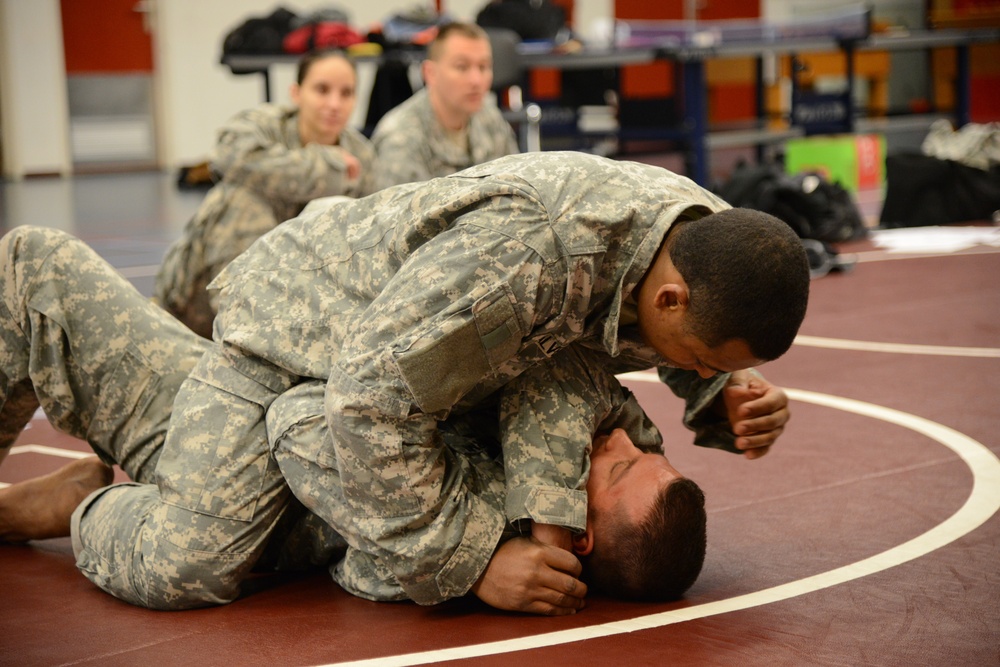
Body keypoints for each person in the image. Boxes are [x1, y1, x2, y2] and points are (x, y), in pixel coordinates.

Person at [0, 151, 809, 615]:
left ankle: (95, 465)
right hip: (300, 332)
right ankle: (94, 495)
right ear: (672, 295)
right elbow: (356, 400)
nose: (627, 438)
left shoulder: (695, 238)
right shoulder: (530, 257)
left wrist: (719, 392)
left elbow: (590, 365)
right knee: (192, 556)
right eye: (701, 359)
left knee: (206, 469)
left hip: (371, 382)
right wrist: (477, 558)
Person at [154, 50, 376, 339]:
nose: (334, 104)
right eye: (321, 90)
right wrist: (327, 168)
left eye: (346, 93)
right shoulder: (262, 127)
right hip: (193, 304)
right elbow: (227, 156)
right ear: (296, 93)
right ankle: (243, 332)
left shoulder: (361, 155)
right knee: (244, 199)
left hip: (293, 302)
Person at [370, 22, 519, 191]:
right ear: (430, 73)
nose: (476, 80)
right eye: (462, 67)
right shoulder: (401, 137)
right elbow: (393, 215)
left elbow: (515, 190)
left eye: (483, 67)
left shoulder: (490, 119)